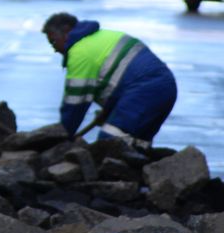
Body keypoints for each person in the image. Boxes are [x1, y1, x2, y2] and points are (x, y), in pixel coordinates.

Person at [42, 12, 177, 145]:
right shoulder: (102, 36)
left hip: (145, 91)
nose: (54, 49)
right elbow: (122, 79)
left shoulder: (79, 52)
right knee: (137, 144)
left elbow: (75, 104)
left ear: (66, 33)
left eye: (53, 41)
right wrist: (109, 111)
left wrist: (63, 136)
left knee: (110, 143)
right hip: (165, 88)